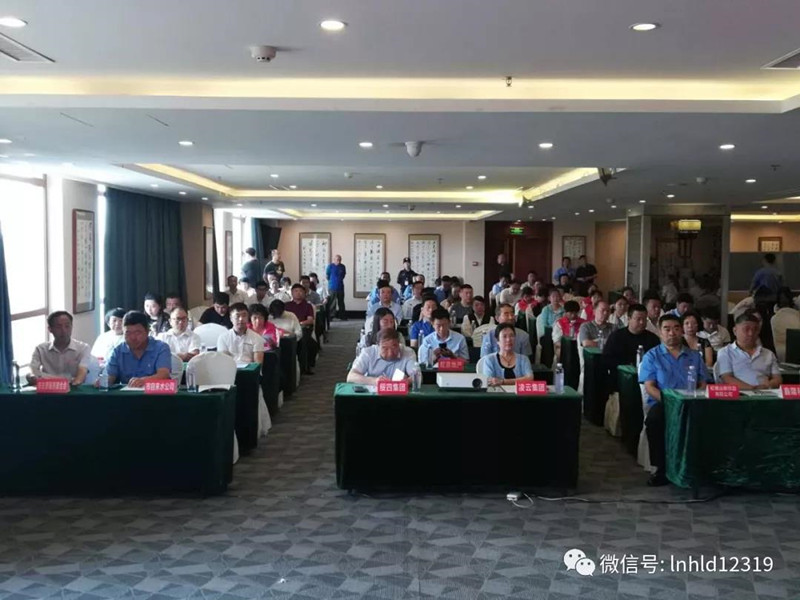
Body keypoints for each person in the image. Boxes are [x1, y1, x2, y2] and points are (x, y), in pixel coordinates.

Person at [640, 314, 709, 486]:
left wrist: (696, 396)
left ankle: (703, 468)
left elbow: (703, 382)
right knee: (654, 421)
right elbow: (650, 387)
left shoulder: (694, 356)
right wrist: (670, 402)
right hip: (665, 403)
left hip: (692, 402)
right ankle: (661, 469)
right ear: (660, 332)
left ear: (682, 331)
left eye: (676, 328)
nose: (672, 333)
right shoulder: (652, 356)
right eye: (667, 329)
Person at [105, 311, 172, 387]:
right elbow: (110, 376)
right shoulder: (117, 351)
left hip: (156, 393)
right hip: (129, 393)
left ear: (147, 332)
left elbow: (163, 375)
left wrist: (144, 381)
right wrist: (103, 381)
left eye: (137, 333)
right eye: (128, 333)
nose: (133, 337)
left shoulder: (161, 348)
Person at [717, 313, 781, 390]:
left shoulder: (768, 354)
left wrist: (768, 385)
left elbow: (777, 378)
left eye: (755, 330)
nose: (751, 333)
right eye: (746, 329)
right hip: (739, 393)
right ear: (735, 331)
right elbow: (727, 378)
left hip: (765, 392)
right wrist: (753, 388)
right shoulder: (725, 352)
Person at [27, 311, 91, 386]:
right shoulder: (41, 349)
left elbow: (81, 374)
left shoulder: (83, 348)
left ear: (72, 327)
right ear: (50, 329)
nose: (64, 331)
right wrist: (32, 377)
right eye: (58, 327)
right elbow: (32, 371)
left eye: (67, 326)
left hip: (72, 388)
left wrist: (73, 383)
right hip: (47, 388)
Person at [347, 329, 417, 385]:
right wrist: (374, 381)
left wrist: (408, 381)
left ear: (399, 344)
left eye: (394, 347)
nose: (390, 353)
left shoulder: (408, 352)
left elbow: (417, 375)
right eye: (385, 348)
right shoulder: (368, 353)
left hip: (399, 395)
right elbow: (351, 377)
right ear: (378, 345)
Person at [602, 304, 660, 370]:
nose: (642, 322)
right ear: (629, 319)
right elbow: (606, 360)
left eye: (644, 319)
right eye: (638, 319)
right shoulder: (616, 337)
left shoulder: (653, 339)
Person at [325, 254, 347, 320]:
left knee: (341, 302)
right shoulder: (330, 266)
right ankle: (331, 316)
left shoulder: (343, 266)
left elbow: (343, 275)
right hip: (332, 287)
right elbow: (327, 276)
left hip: (340, 286)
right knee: (332, 302)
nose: (339, 261)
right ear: (334, 260)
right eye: (337, 260)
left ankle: (342, 316)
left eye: (340, 260)